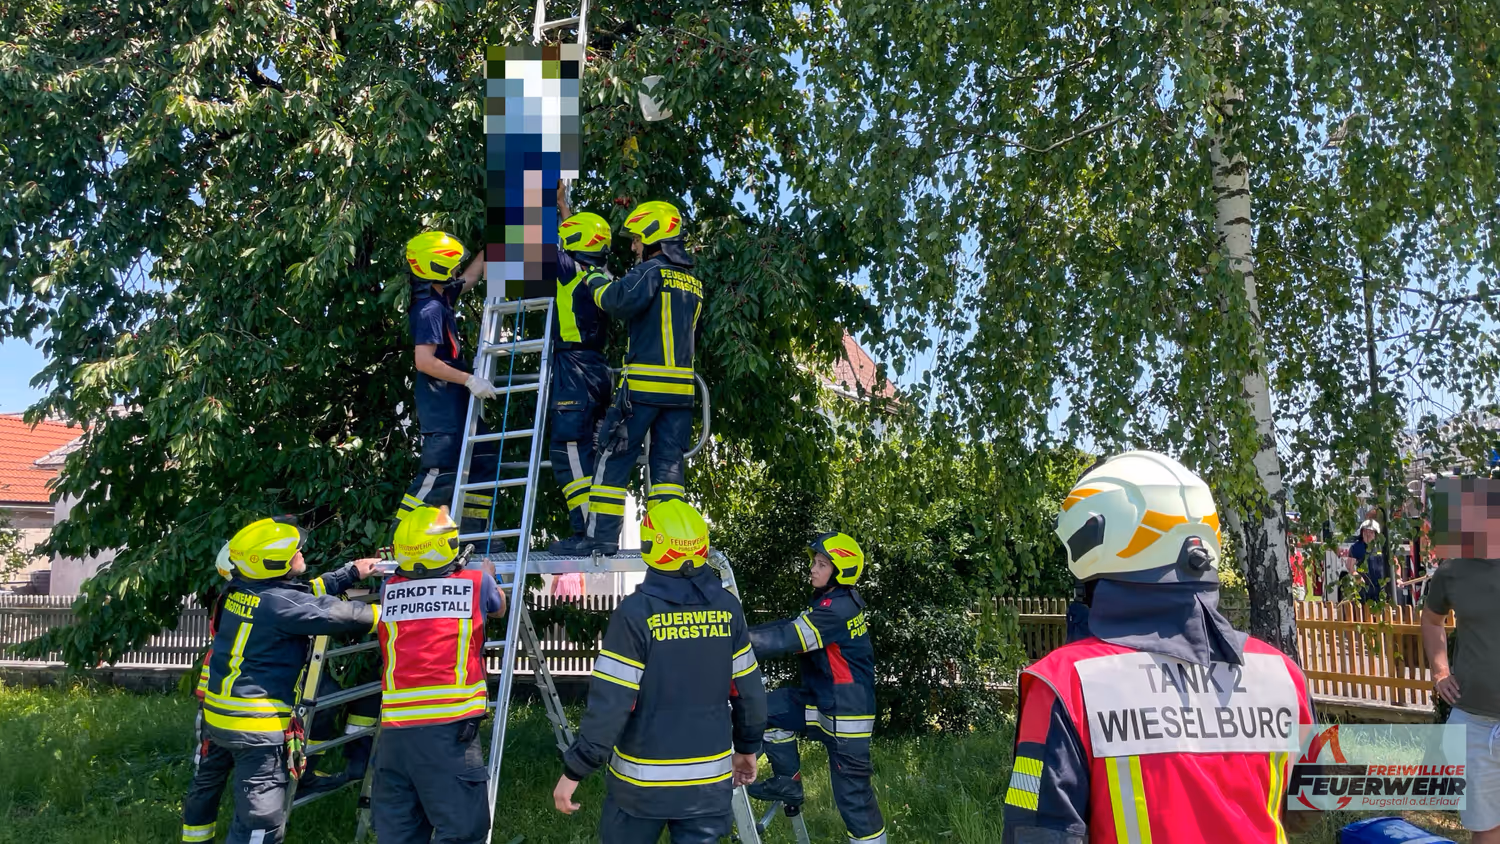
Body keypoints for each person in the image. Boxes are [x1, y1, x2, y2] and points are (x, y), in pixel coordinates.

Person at [1002, 450, 1316, 844]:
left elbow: (1036, 832)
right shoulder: (1281, 674)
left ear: (1095, 539)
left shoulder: (1062, 685)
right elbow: (1309, 807)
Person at [552, 499, 766, 843]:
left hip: (639, 790)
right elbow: (749, 691)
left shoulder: (635, 614)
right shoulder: (729, 610)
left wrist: (575, 769)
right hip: (706, 790)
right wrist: (747, 747)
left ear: (651, 548)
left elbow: (611, 703)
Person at [185, 517, 381, 844]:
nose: (301, 550)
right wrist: (409, 608)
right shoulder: (280, 604)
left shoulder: (239, 588)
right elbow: (340, 615)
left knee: (205, 788)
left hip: (216, 718)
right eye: (295, 550)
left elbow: (302, 595)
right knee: (259, 825)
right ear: (273, 563)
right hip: (255, 730)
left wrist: (351, 573)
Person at [372, 505, 508, 844]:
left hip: (395, 735)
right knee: (462, 831)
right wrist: (492, 575)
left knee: (400, 834)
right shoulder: (477, 582)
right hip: (450, 733)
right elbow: (499, 607)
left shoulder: (391, 589)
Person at [578, 200, 704, 555]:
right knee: (667, 471)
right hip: (680, 396)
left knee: (614, 457)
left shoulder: (651, 272)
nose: (633, 246)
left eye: (635, 239)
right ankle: (670, 543)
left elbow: (615, 300)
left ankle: (600, 540)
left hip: (644, 389)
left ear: (652, 235)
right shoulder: (693, 283)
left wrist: (593, 275)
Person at [747, 531, 888, 844]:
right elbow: (786, 627)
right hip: (824, 702)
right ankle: (788, 782)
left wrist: (725, 639)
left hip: (847, 717)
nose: (813, 568)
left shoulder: (836, 611)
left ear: (840, 571)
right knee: (768, 710)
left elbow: (786, 638)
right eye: (814, 561)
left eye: (822, 564)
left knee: (854, 801)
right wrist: (739, 632)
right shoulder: (831, 602)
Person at [399, 231, 499, 536]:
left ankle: (474, 533)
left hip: (455, 401)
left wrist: (490, 249)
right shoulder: (429, 308)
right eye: (452, 265)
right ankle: (400, 535)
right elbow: (424, 361)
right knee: (438, 474)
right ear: (437, 267)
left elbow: (469, 278)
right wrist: (469, 380)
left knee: (483, 457)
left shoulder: (441, 294)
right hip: (441, 405)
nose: (456, 270)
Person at [547, 187, 616, 554]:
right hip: (599, 370)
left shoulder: (567, 268)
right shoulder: (601, 272)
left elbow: (528, 245)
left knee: (569, 450)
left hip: (573, 370)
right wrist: (563, 208)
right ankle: (598, 529)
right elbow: (574, 238)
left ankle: (589, 535)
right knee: (593, 454)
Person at [1422, 549, 1500, 843]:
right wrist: (1440, 671)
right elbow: (1431, 620)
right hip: (1475, 726)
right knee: (1486, 829)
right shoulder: (1453, 570)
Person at [1349, 518, 1387, 602]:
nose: (1367, 534)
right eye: (1365, 531)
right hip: (1364, 588)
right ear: (1361, 532)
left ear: (1376, 534)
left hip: (1381, 588)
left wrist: (1398, 578)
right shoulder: (1356, 548)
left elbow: (1395, 564)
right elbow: (1350, 566)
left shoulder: (1382, 547)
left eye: (1371, 532)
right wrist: (1356, 575)